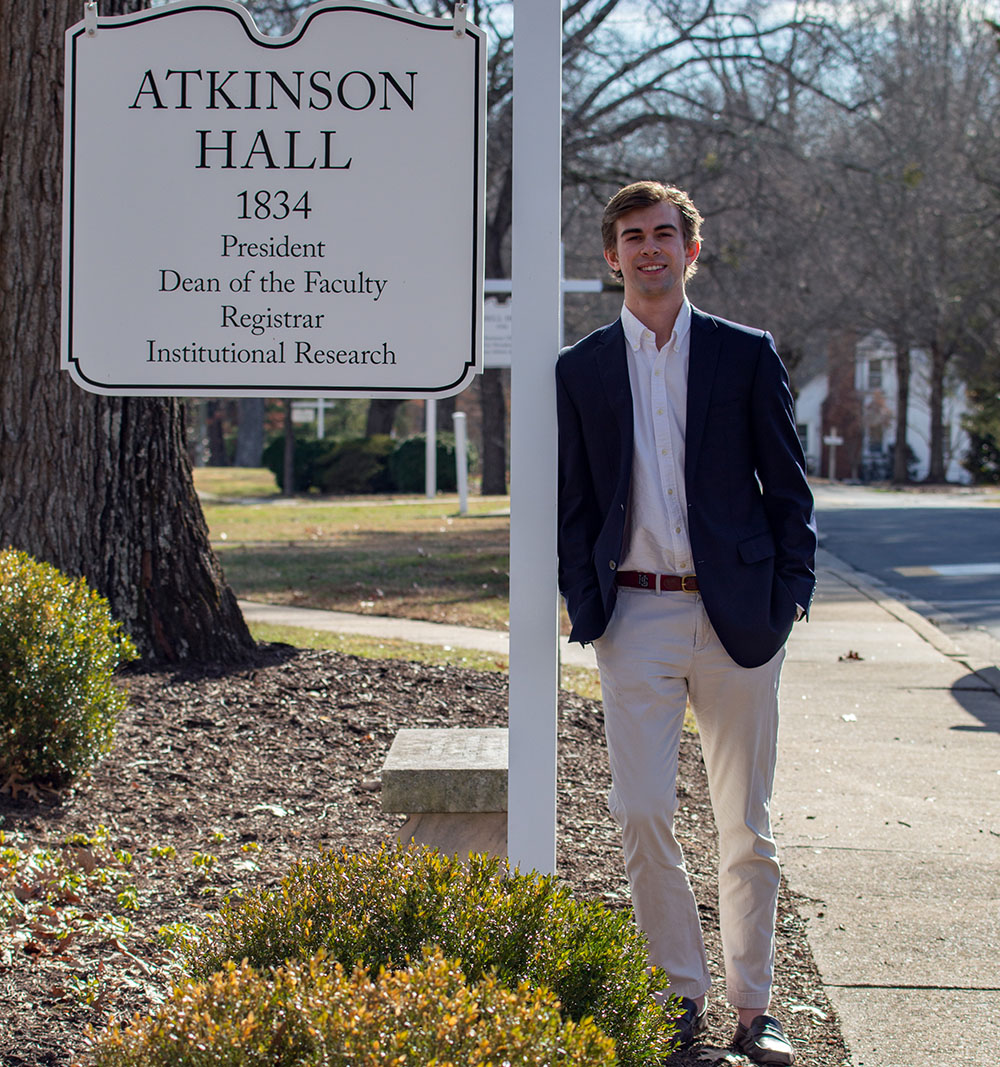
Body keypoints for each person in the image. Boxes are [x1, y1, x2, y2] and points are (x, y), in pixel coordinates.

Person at [556, 181, 816, 1065]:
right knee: (641, 811)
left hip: (737, 616)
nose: (649, 250)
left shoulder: (745, 355)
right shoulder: (582, 367)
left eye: (664, 235)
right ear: (611, 256)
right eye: (632, 237)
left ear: (690, 250)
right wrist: (587, 608)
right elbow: (574, 502)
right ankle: (678, 998)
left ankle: (755, 1010)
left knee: (746, 820)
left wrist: (787, 602)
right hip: (634, 612)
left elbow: (789, 492)